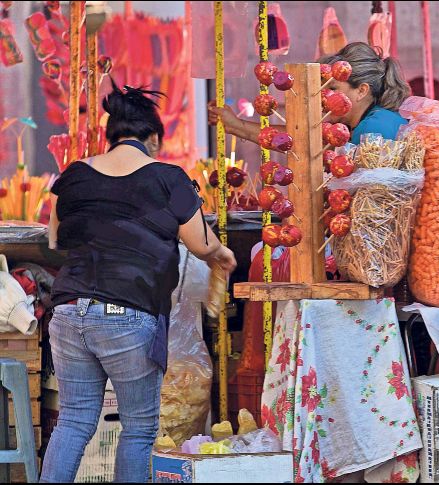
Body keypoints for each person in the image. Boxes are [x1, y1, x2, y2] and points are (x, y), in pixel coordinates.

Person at [41, 82, 237, 483]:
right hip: (127, 312)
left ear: (111, 136)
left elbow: (54, 238)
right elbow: (199, 243)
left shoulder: (74, 174)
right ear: (154, 139)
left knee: (75, 422)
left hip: (67, 311)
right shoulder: (167, 178)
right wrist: (221, 255)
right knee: (139, 429)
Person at [208, 42, 411, 145]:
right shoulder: (359, 125)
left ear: (361, 91)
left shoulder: (375, 129)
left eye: (333, 89)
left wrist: (237, 127)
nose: (323, 97)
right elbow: (303, 140)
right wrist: (236, 126)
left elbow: (306, 145)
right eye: (322, 89)